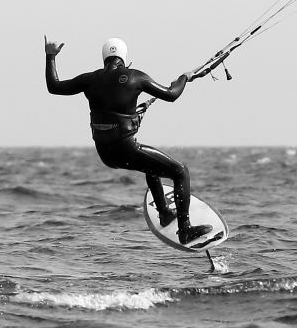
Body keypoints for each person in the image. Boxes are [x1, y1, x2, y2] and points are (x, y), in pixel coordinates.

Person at [45, 35, 212, 245]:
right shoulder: (135, 77)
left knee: (151, 167)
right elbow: (171, 94)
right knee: (180, 171)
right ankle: (185, 229)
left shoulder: (90, 79)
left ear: (104, 57)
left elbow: (54, 87)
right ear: (124, 58)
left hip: (106, 154)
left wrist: (50, 57)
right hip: (126, 149)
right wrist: (184, 78)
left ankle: (164, 213)